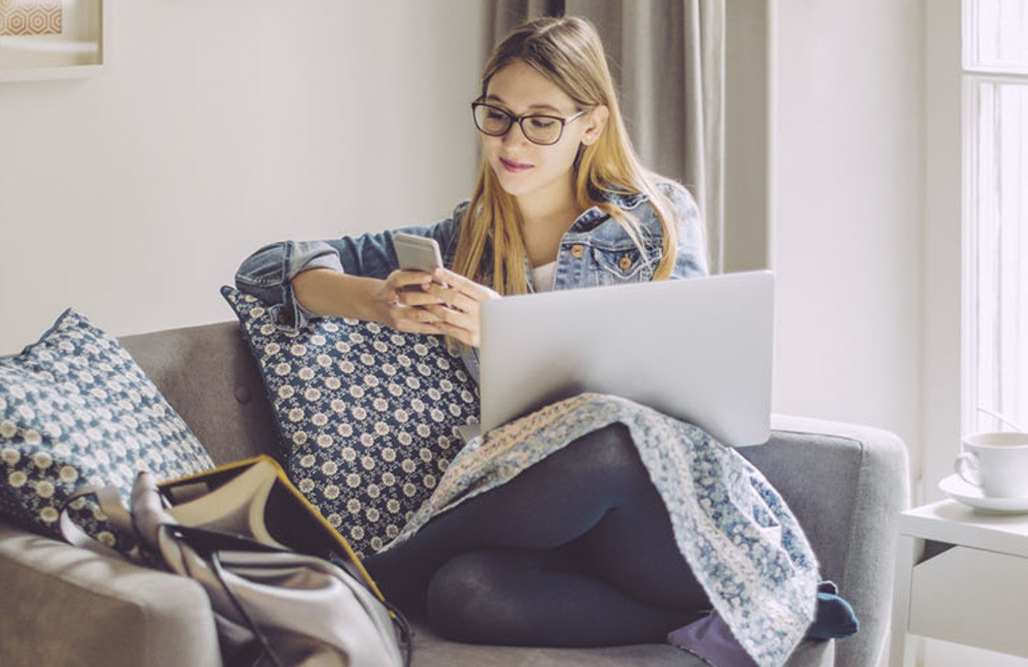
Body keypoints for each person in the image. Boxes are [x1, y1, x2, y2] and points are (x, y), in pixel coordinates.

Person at [235, 16, 852, 665]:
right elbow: (268, 268)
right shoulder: (463, 240)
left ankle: (358, 577)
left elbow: (673, 407)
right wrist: (377, 300)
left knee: (604, 439)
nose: (511, 140)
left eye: (541, 120)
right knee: (461, 593)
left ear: (592, 124)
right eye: (497, 115)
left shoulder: (654, 221)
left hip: (660, 514)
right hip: (547, 529)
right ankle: (719, 618)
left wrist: (507, 332)